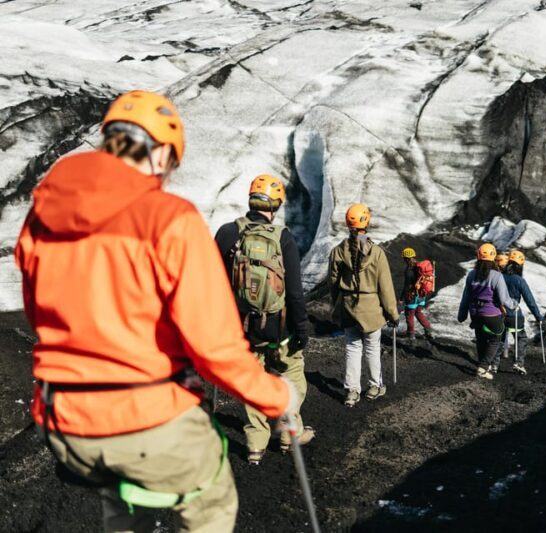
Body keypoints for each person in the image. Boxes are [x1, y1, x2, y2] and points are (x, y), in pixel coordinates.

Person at [14, 90, 297, 532]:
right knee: (212, 496)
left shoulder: (45, 213)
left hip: (63, 420)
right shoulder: (168, 219)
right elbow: (214, 348)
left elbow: (39, 314)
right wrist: (275, 396)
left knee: (124, 492)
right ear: (161, 152)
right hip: (142, 416)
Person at [214, 174, 314, 465]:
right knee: (292, 376)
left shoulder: (227, 233)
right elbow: (294, 292)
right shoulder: (283, 238)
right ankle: (289, 436)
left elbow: (212, 283)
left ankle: (255, 445)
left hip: (243, 328)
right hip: (279, 328)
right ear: (276, 205)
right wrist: (301, 328)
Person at [328, 204, 400, 407]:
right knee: (372, 348)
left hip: (349, 306)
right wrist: (393, 313)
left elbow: (332, 282)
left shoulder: (338, 251)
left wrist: (337, 303)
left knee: (352, 347)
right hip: (372, 310)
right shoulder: (377, 253)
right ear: (366, 223)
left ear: (347, 223)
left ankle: (352, 391)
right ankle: (375, 386)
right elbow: (385, 287)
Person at [457, 243, 517, 380]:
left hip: (474, 313)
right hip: (491, 313)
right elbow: (504, 299)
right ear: (493, 257)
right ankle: (483, 367)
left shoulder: (471, 274)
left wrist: (462, 314)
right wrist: (514, 304)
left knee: (481, 338)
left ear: (478, 256)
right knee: (497, 336)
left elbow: (466, 296)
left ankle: (482, 364)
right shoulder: (497, 276)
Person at [488, 249, 544, 375]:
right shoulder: (519, 280)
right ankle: (518, 363)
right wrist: (538, 316)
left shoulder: (499, 277)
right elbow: (530, 301)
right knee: (521, 338)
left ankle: (494, 364)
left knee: (500, 338)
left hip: (499, 313)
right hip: (514, 316)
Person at [399, 247, 434, 342]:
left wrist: (401, 298)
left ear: (406, 258)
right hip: (421, 296)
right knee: (418, 312)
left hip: (412, 297)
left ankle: (411, 335)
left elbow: (406, 286)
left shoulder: (408, 271)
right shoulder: (420, 268)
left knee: (409, 315)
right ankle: (428, 330)